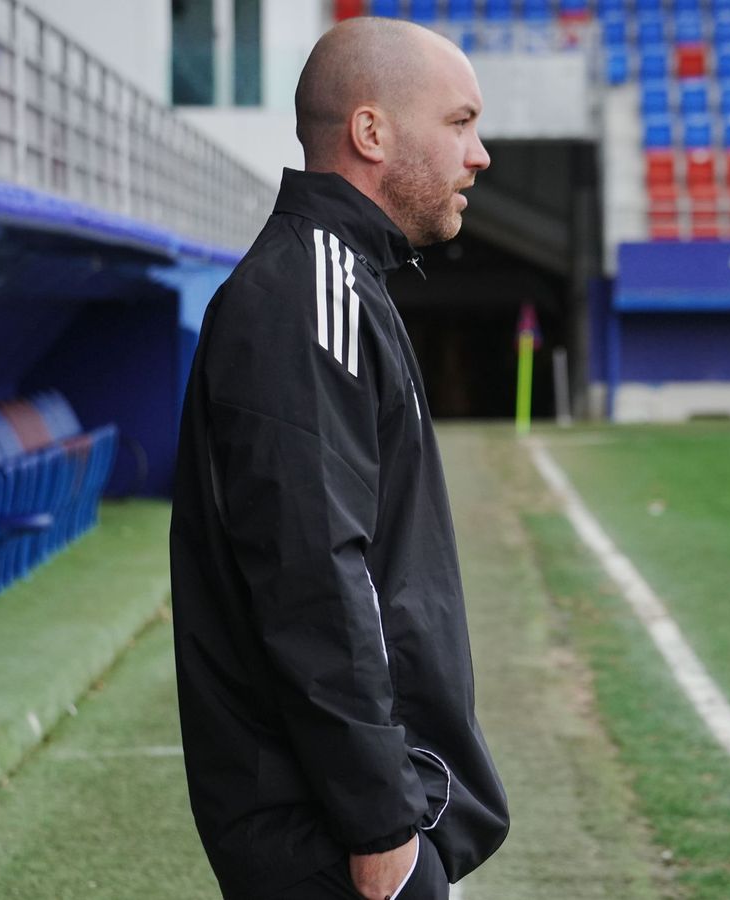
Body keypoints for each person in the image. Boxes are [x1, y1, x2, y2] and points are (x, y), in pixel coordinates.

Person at [169, 17, 509, 900]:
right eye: (460, 122)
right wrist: (382, 826)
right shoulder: (305, 294)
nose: (479, 155)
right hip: (330, 832)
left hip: (357, 816)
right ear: (371, 132)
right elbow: (313, 574)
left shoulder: (343, 280)